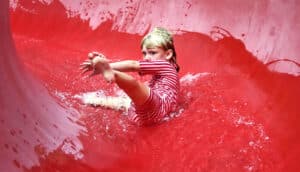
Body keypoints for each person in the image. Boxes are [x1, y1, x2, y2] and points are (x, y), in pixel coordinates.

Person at [80, 27, 180, 125]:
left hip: (157, 105)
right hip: (149, 115)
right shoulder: (169, 74)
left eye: (152, 52)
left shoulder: (166, 66)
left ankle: (109, 72)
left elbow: (133, 65)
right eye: (144, 53)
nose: (147, 57)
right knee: (126, 101)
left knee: (134, 86)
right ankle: (93, 100)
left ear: (168, 54)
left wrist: (106, 68)